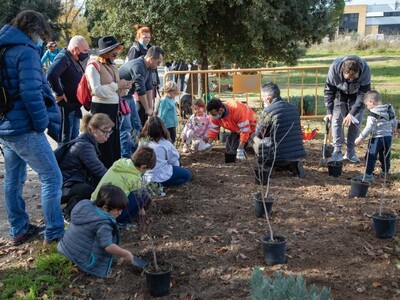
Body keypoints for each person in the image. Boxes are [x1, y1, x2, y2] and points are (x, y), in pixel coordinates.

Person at [0, 10, 64, 245]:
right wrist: (41, 124)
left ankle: (18, 229)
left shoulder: (4, 47)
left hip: (5, 126)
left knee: (13, 180)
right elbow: (30, 92)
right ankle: (55, 232)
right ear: (35, 30)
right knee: (52, 178)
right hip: (25, 127)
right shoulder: (25, 52)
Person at [57, 184, 134, 278]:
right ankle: (86, 270)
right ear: (105, 208)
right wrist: (125, 253)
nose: (120, 213)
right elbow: (107, 246)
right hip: (79, 258)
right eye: (117, 210)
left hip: (65, 245)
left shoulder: (86, 206)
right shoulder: (103, 224)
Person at [86, 35, 133, 168]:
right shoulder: (93, 66)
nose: (117, 53)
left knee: (113, 145)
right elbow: (97, 90)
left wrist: (124, 87)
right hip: (101, 110)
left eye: (118, 50)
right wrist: (118, 85)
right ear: (106, 52)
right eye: (115, 50)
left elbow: (115, 91)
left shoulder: (112, 65)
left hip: (113, 109)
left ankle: (112, 176)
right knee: (103, 146)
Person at [58, 113, 114, 220]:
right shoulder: (85, 147)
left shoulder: (86, 141)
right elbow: (100, 171)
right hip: (63, 186)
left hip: (69, 182)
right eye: (105, 132)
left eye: (109, 132)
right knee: (88, 190)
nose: (107, 136)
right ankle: (67, 213)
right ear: (93, 129)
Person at [91, 146, 156, 226]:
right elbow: (139, 201)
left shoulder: (121, 163)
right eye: (147, 169)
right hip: (110, 212)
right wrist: (142, 213)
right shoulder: (134, 178)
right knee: (143, 193)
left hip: (93, 204)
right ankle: (122, 221)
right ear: (143, 167)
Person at [324, 55, 371, 164]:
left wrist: (352, 113)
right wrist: (328, 111)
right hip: (340, 94)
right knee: (336, 120)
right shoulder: (334, 68)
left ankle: (350, 151)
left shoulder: (365, 70)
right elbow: (329, 91)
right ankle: (337, 151)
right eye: (348, 78)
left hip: (357, 96)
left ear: (358, 72)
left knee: (355, 121)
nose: (350, 80)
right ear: (342, 71)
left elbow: (364, 95)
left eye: (353, 77)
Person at [254, 83, 306, 178]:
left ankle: (267, 165)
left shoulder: (268, 111)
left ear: (269, 98)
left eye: (263, 97)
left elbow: (259, 133)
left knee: (255, 138)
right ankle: (294, 165)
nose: (262, 99)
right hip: (296, 154)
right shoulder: (293, 108)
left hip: (276, 156)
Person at [46, 35, 89, 144]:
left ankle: (71, 159)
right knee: (66, 139)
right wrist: (59, 92)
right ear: (75, 49)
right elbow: (51, 74)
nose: (86, 53)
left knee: (73, 137)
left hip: (74, 105)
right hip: (67, 106)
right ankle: (64, 160)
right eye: (84, 51)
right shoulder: (64, 57)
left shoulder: (73, 58)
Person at [354, 90, 397, 182]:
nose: (367, 107)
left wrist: (360, 137)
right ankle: (385, 172)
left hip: (376, 139)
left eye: (367, 105)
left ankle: (368, 174)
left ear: (371, 101)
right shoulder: (389, 108)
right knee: (385, 155)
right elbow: (394, 119)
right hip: (388, 137)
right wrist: (394, 127)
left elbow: (369, 128)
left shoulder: (372, 114)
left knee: (371, 155)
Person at [140, 116, 192, 188]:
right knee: (187, 175)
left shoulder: (142, 142)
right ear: (162, 129)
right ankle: (163, 185)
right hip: (162, 174)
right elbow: (174, 159)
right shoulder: (165, 143)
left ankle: (154, 185)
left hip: (146, 174)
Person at [119, 46, 164, 127]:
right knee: (126, 128)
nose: (158, 65)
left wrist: (151, 109)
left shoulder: (149, 67)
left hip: (128, 96)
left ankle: (137, 139)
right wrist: (147, 109)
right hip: (120, 96)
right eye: (158, 62)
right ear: (151, 59)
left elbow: (149, 87)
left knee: (137, 125)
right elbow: (140, 90)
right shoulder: (138, 65)